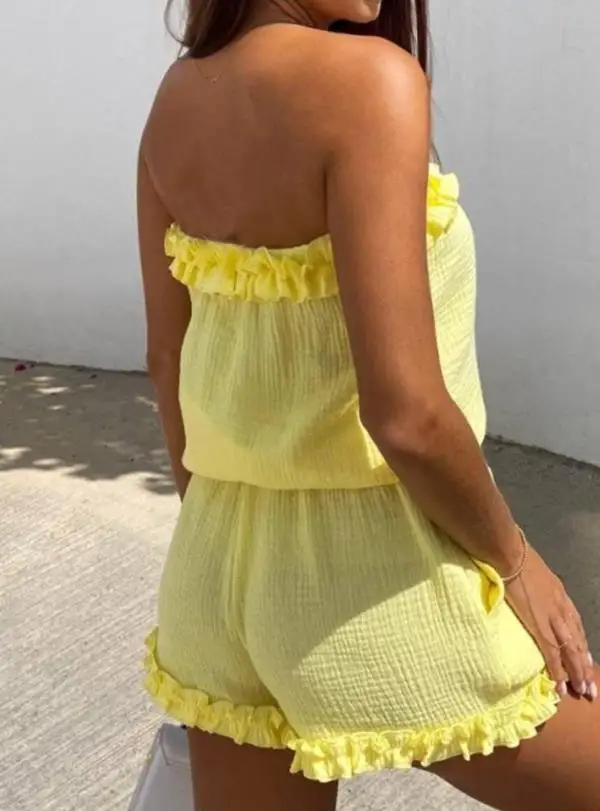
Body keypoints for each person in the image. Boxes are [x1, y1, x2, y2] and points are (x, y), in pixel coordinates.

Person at [137, 1, 599, 809]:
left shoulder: (176, 100)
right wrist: (518, 563)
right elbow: (408, 414)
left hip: (213, 577)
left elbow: (168, 360)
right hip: (377, 573)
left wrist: (233, 545)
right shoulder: (371, 82)